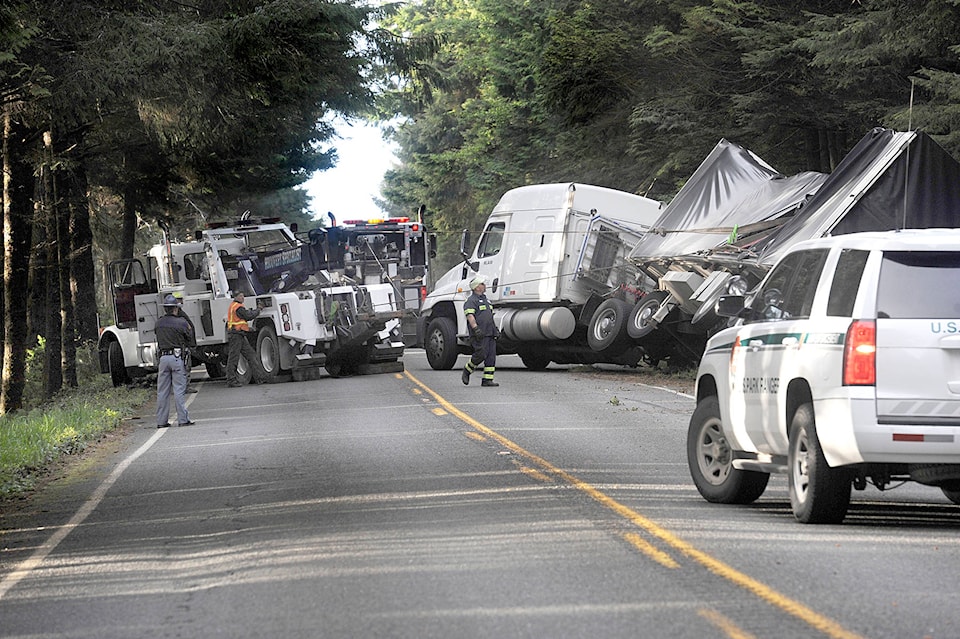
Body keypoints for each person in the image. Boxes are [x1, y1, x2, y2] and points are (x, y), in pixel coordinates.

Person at [155, 294, 196, 427]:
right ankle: (183, 419)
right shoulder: (181, 323)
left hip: (163, 359)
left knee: (162, 391)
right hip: (177, 358)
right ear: (175, 309)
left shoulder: (158, 323)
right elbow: (190, 339)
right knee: (178, 389)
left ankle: (161, 421)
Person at [461, 274, 500, 387]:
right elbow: (470, 316)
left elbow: (489, 317)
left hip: (490, 333)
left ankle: (487, 380)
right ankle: (467, 370)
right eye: (482, 284)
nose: (484, 286)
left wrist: (495, 329)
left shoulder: (486, 300)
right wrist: (476, 329)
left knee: (491, 356)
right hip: (480, 333)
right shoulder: (471, 301)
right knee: (481, 354)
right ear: (476, 287)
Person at [225, 290, 268, 387]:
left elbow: (240, 320)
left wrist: (247, 328)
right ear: (235, 297)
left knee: (251, 355)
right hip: (236, 335)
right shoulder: (238, 307)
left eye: (243, 296)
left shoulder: (235, 306)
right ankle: (231, 380)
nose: (242, 298)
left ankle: (260, 378)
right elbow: (248, 316)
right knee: (234, 358)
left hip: (239, 334)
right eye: (240, 296)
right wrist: (258, 309)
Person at [172, 291, 199, 393]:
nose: (181, 301)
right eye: (180, 300)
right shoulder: (180, 316)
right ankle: (185, 387)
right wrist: (191, 344)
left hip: (178, 345)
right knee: (185, 366)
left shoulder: (177, 315)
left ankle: (180, 387)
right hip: (181, 345)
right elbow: (188, 329)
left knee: (180, 367)